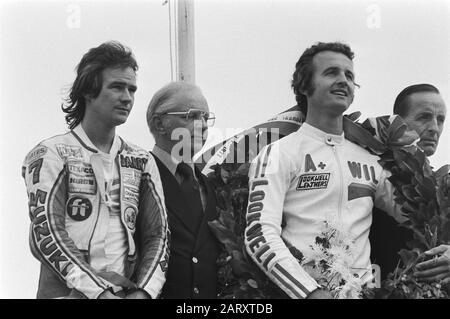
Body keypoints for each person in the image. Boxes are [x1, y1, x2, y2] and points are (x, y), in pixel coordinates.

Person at [244, 42, 402, 299]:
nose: (343, 81)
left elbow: (419, 218)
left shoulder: (372, 161)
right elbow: (258, 233)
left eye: (349, 76)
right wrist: (308, 292)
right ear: (304, 85)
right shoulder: (278, 154)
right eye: (331, 72)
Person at [22, 41, 169, 299]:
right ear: (89, 91)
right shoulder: (51, 152)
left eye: (132, 89)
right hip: (64, 294)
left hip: (125, 292)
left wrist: (144, 293)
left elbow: (159, 235)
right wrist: (98, 292)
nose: (127, 97)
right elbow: (47, 230)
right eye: (117, 87)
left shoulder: (142, 159)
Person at [146, 82, 220, 298]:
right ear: (160, 124)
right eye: (192, 116)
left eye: (206, 117)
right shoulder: (138, 177)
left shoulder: (212, 187)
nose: (204, 125)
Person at [370, 83, 449, 284]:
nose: (434, 128)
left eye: (440, 119)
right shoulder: (371, 171)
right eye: (424, 117)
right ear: (398, 122)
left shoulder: (443, 185)